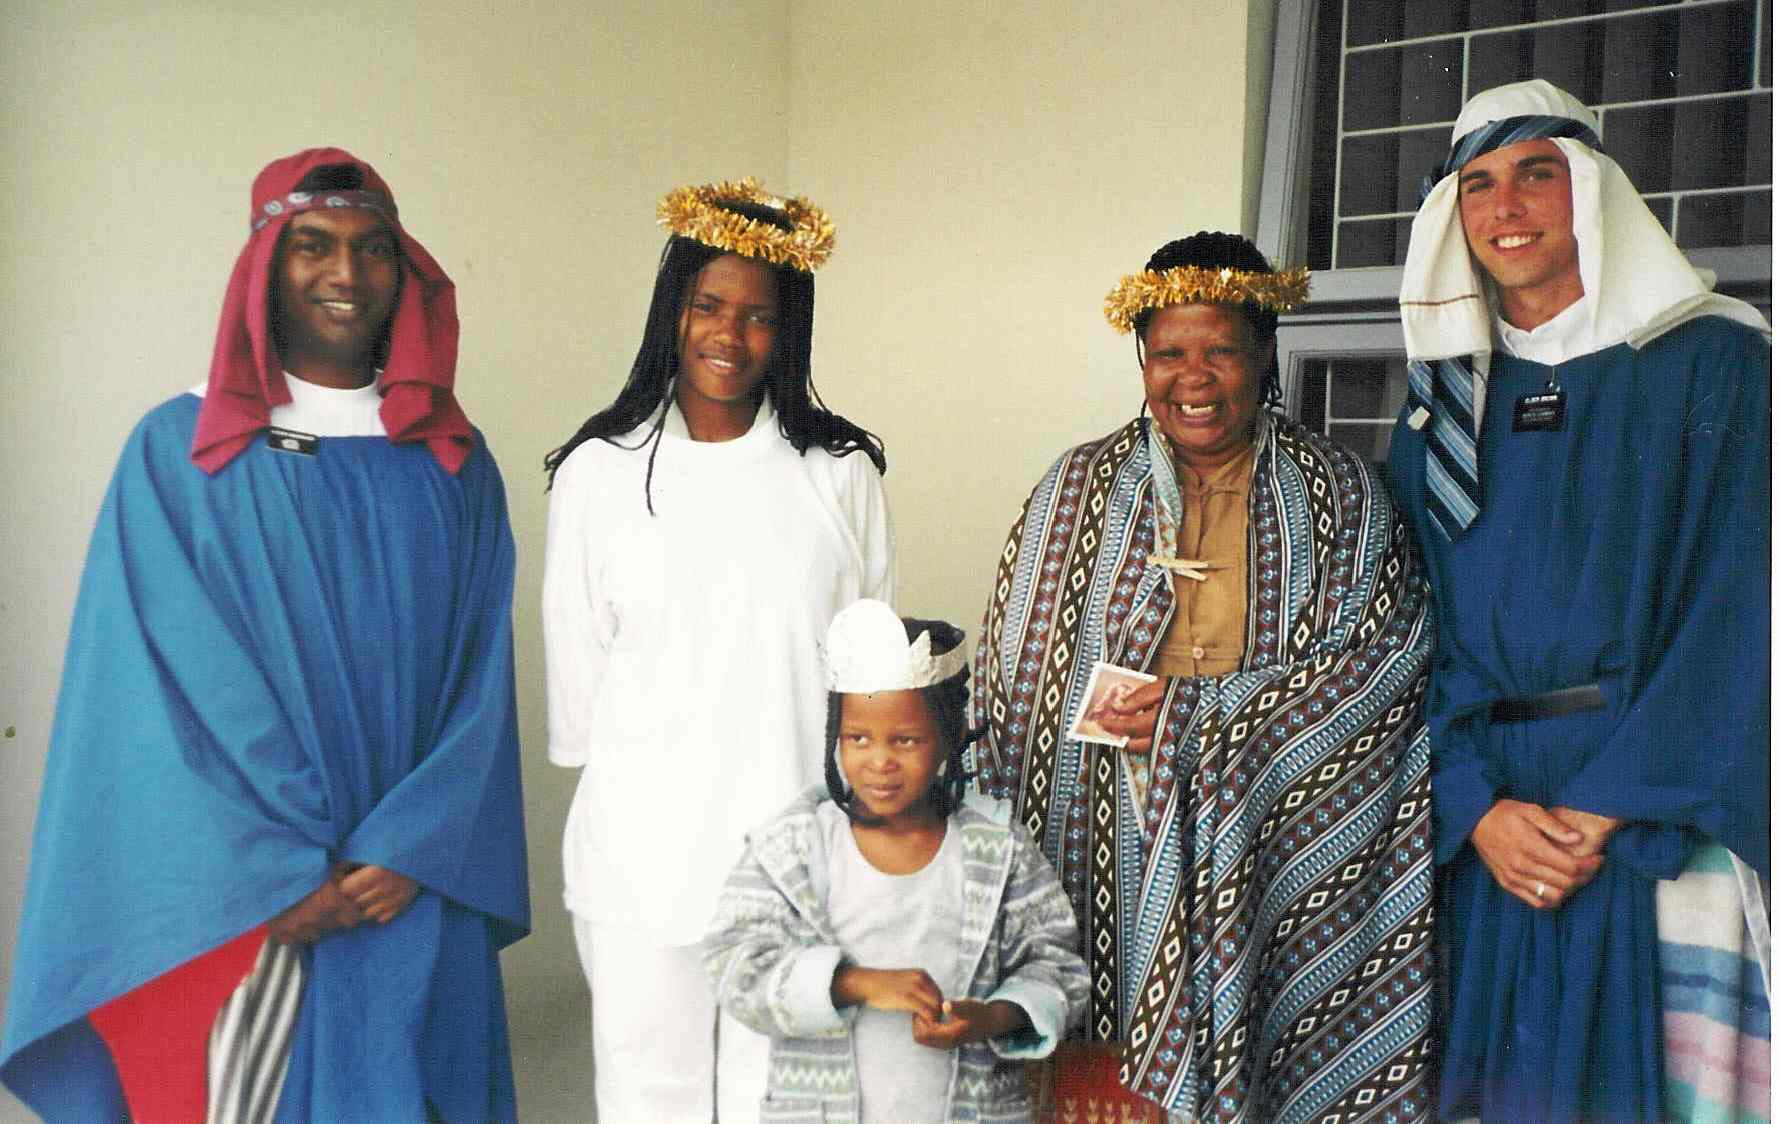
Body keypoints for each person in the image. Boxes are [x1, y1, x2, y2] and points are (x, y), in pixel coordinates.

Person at [0, 148, 529, 1122]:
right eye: (312, 245)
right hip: (245, 903)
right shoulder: (181, 452)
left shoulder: (451, 464)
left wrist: (416, 845)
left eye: (373, 248)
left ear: (405, 273)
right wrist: (274, 873)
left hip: (409, 886)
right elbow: (154, 688)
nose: (345, 272)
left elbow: (480, 688)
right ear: (263, 267)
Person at [972, 232, 1436, 1121]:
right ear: (1142, 362)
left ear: (1264, 354)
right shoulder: (1073, 488)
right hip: (1098, 830)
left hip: (1269, 838)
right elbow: (1014, 682)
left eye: (1220, 351)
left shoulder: (1341, 494)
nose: (1194, 378)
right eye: (1168, 354)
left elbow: (1385, 664)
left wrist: (1198, 719)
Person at [1385, 79, 1771, 1122]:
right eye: (1477, 185)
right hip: (1495, 824)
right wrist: (1473, 803)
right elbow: (1409, 629)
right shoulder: (1441, 406)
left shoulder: (1715, 364)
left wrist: (1607, 804)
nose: (1505, 208)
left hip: (1657, 809)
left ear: (1592, 190)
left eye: (1535, 175)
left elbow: (1745, 607)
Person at [542, 177, 894, 1120]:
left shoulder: (839, 475)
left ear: (790, 331)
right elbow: (578, 696)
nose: (728, 335)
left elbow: (870, 686)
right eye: (708, 306)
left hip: (796, 868)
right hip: (638, 867)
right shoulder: (598, 473)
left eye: (758, 316)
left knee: (776, 1104)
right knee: (647, 1099)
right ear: (673, 310)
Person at [703, 599, 1089, 1122]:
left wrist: (991, 1017)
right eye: (858, 738)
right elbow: (732, 963)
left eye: (906, 740)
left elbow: (1058, 967)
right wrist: (854, 982)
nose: (880, 760)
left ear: (949, 740)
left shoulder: (998, 851)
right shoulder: (794, 849)